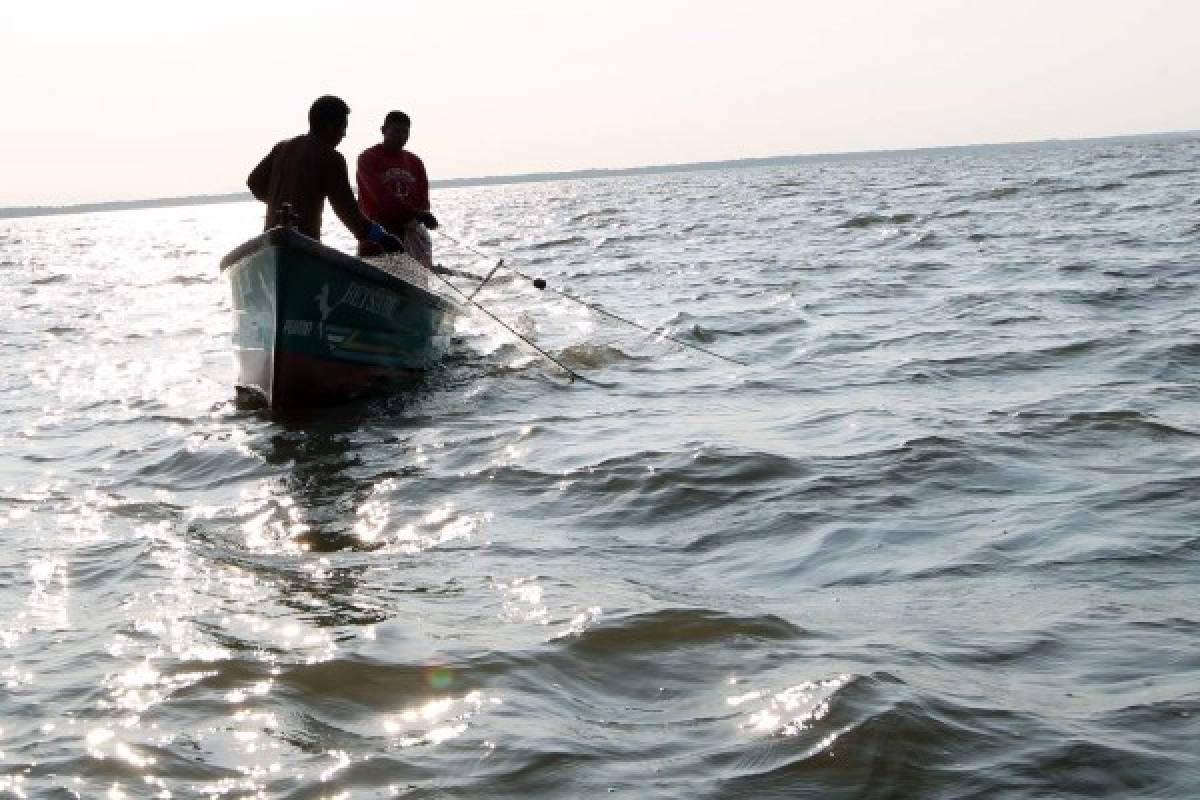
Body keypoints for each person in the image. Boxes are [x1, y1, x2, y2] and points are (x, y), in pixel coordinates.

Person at [247, 95, 403, 253]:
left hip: (271, 245)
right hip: (304, 246)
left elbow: (254, 183)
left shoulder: (281, 148)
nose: (344, 135)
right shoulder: (331, 158)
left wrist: (280, 200)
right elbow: (349, 214)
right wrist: (382, 237)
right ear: (330, 128)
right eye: (343, 128)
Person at [356, 110, 438, 266]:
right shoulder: (368, 158)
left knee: (416, 283)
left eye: (405, 132)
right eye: (396, 131)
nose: (401, 137)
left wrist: (423, 215)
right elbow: (381, 198)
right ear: (383, 130)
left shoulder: (415, 162)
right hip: (378, 240)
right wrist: (416, 214)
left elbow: (423, 200)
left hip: (410, 239)